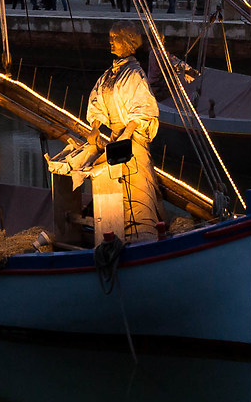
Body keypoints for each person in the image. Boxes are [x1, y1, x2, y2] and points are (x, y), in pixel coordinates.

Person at [47, 26, 164, 243]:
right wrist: (94, 129)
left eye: (115, 39)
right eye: (109, 38)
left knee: (137, 193)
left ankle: (141, 237)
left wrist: (126, 135)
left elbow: (143, 109)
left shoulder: (134, 74)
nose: (111, 42)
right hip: (115, 140)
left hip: (132, 141)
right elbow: (97, 101)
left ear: (128, 43)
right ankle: (113, 230)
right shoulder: (110, 74)